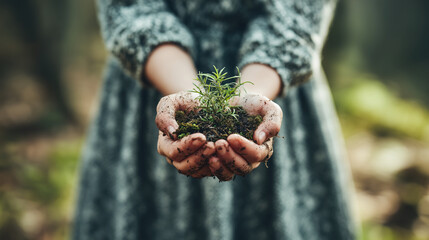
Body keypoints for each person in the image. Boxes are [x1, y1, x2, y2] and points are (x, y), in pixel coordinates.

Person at [73, 0, 356, 239]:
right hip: (153, 72)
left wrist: (251, 96)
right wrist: (188, 97)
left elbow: (296, 17)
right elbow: (131, 9)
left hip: (273, 80)